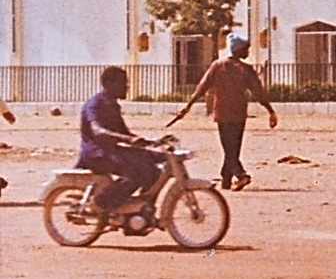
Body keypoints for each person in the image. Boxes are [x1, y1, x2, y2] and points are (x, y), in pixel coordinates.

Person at [173, 34, 278, 190]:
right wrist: (270, 111)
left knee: (229, 148)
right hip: (239, 114)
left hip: (222, 113)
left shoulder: (218, 66)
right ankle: (238, 176)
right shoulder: (246, 70)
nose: (248, 52)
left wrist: (188, 106)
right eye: (246, 49)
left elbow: (202, 87)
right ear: (239, 50)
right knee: (232, 148)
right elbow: (259, 93)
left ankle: (229, 179)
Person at [77, 66, 163, 214]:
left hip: (111, 151)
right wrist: (129, 140)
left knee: (153, 166)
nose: (127, 87)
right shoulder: (95, 104)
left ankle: (141, 209)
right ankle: (100, 204)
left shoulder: (113, 105)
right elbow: (97, 131)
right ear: (109, 84)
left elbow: (124, 133)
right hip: (96, 154)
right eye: (123, 83)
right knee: (137, 172)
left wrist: (152, 142)